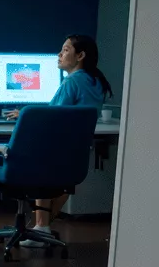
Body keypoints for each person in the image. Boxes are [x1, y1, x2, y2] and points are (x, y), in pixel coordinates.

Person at [8, 34, 112, 237]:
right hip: (76, 156)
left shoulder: (70, 83)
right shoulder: (96, 82)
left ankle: (40, 229)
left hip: (52, 154)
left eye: (65, 50)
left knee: (35, 160)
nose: (59, 54)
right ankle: (41, 228)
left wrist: (24, 114)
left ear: (80, 55)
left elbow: (51, 117)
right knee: (61, 180)